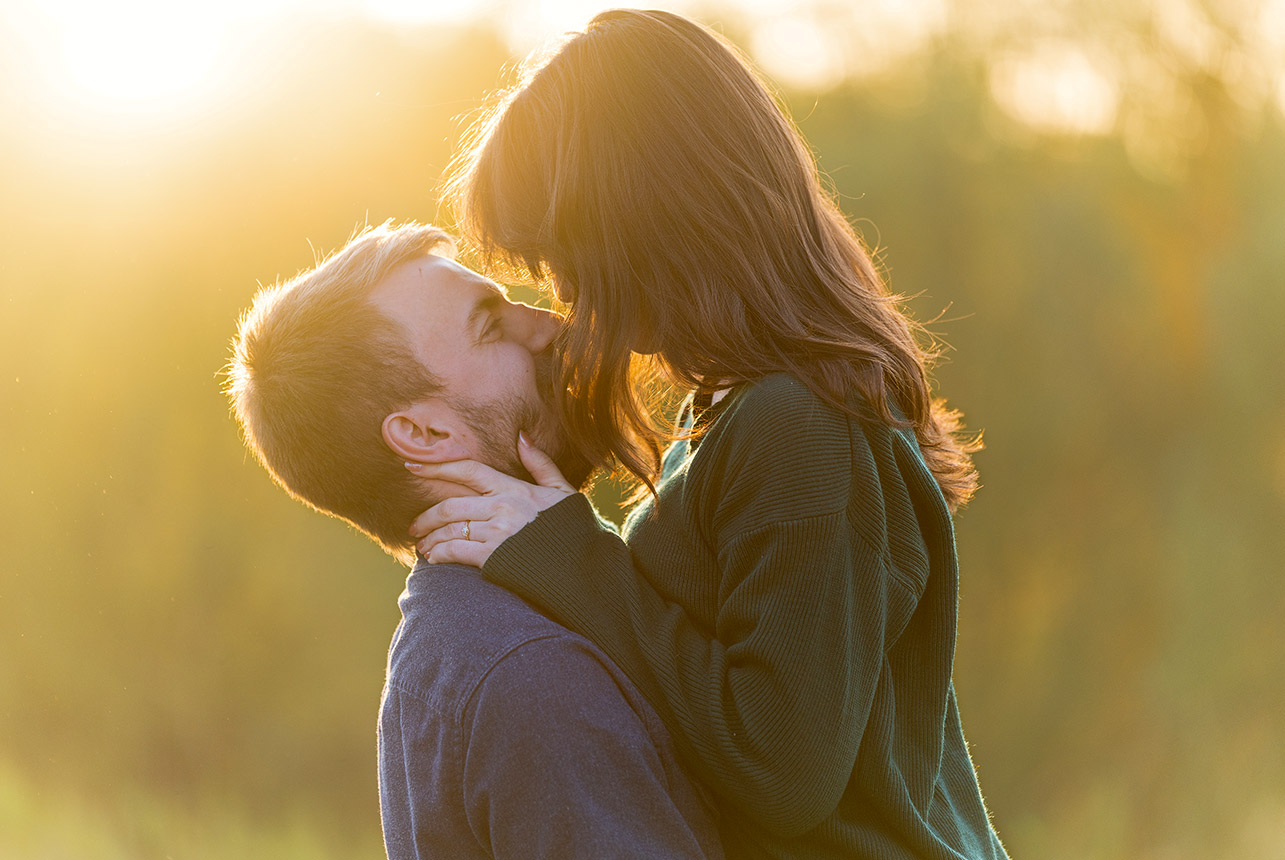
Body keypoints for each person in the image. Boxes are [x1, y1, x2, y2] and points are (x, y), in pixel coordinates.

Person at [409, 9, 1010, 859]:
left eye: (561, 257)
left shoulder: (801, 426)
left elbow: (780, 771)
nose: (561, 296)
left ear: (642, 222)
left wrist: (570, 557)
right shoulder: (731, 414)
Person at [223, 221, 723, 860]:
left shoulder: (449, 641)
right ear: (424, 435)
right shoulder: (530, 675)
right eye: (490, 327)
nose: (549, 326)